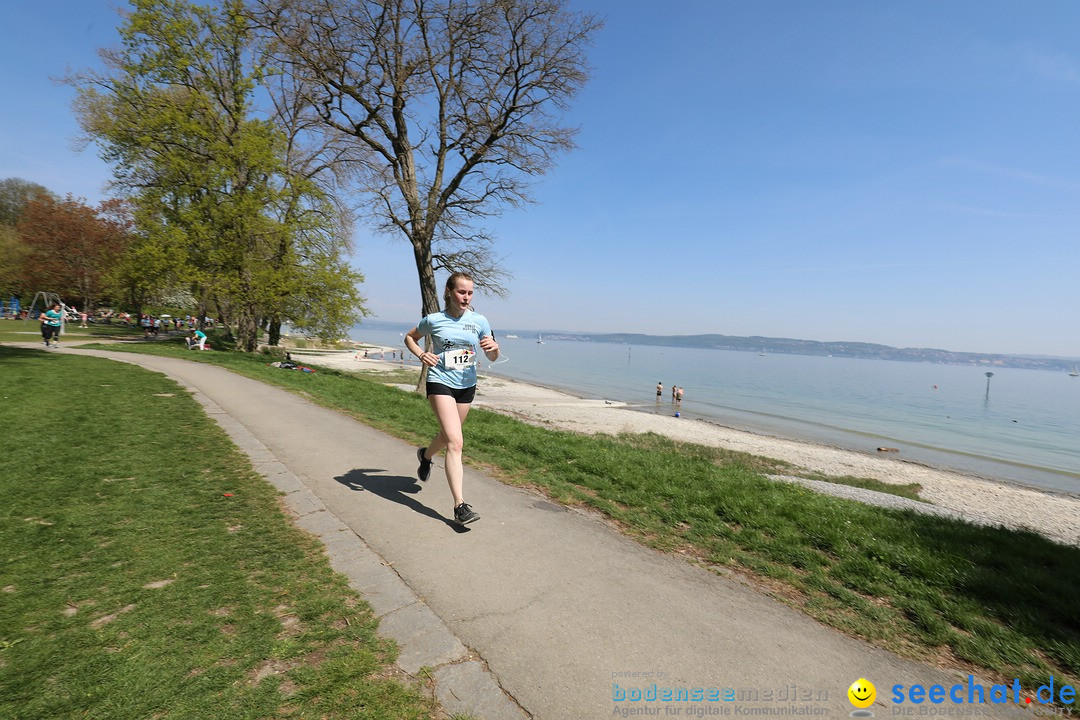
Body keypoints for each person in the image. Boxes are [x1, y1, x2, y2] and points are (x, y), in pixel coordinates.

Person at [404, 272, 500, 526]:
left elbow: (492, 357)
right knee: (456, 442)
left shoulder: (480, 321)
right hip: (440, 382)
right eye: (461, 292)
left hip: (466, 386)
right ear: (449, 291)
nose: (466, 297)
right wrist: (421, 354)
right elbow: (409, 337)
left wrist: (494, 349)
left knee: (448, 437)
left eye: (470, 293)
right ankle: (460, 506)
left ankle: (425, 456)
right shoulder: (434, 320)